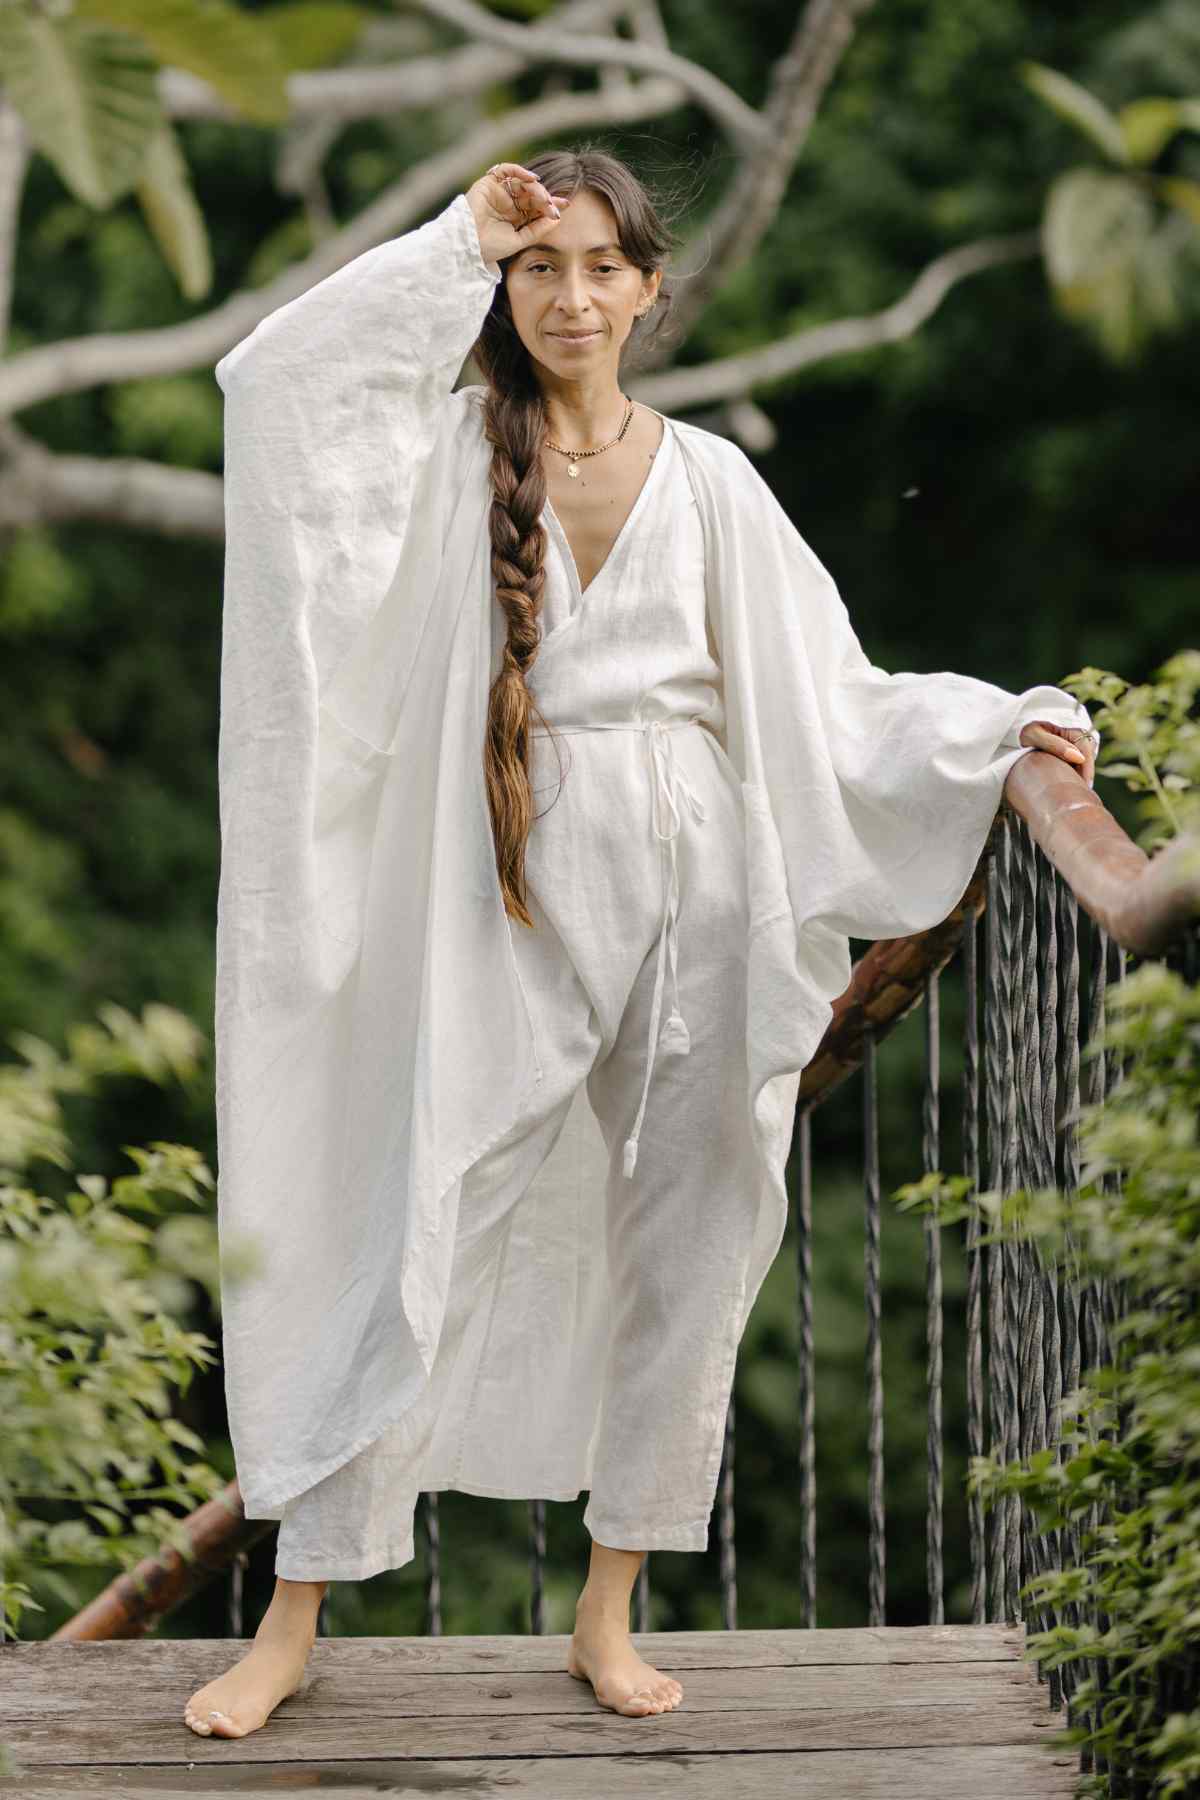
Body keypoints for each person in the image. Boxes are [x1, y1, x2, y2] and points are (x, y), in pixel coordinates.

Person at [186, 149, 1097, 1741]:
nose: (571, 295)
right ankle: (295, 1613)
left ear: (651, 287)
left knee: (690, 1230)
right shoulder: (443, 454)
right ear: (508, 287)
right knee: (416, 1210)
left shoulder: (716, 484)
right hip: (507, 880)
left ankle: (606, 1609)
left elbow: (830, 697)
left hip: (706, 895)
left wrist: (1000, 727)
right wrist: (452, 238)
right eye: (541, 267)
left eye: (602, 265)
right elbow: (272, 393)